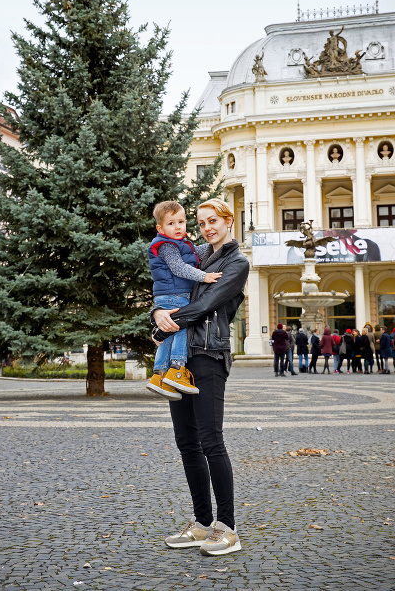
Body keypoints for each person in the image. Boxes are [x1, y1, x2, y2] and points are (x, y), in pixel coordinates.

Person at [151, 198, 249, 556]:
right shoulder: (194, 256)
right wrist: (157, 313)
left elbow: (206, 304)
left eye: (213, 221)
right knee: (186, 443)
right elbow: (171, 292)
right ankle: (202, 523)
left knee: (211, 442)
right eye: (202, 222)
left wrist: (165, 326)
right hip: (183, 360)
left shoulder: (237, 263)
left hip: (209, 355)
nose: (207, 227)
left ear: (228, 222)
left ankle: (228, 528)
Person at [146, 200, 222, 399]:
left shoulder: (181, 244)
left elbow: (200, 251)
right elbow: (179, 268)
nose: (178, 227)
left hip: (170, 295)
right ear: (160, 228)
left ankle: (160, 375)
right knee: (181, 328)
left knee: (169, 333)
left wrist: (221, 241)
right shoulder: (166, 246)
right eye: (171, 223)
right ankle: (177, 369)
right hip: (175, 295)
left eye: (181, 221)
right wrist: (203, 276)